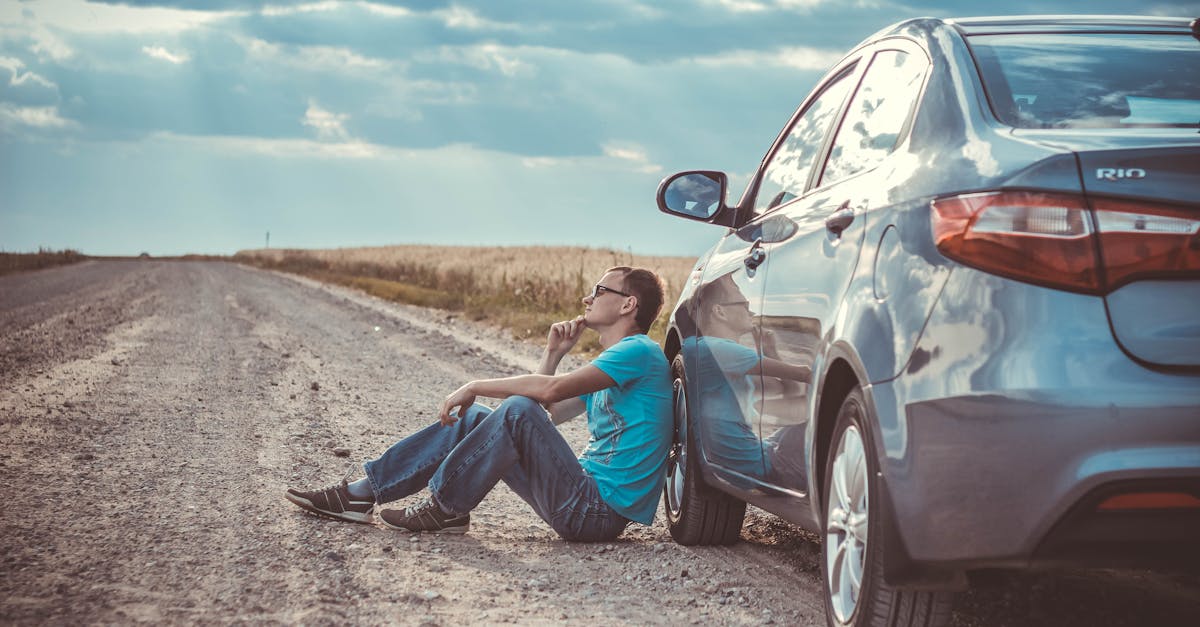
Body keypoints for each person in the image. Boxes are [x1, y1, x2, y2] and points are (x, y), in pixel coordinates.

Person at [284, 266, 672, 542]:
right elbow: (544, 415)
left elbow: (542, 398)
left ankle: (446, 506)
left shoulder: (638, 351)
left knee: (511, 409)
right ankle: (362, 492)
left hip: (595, 513)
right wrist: (553, 354)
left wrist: (477, 384)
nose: (588, 297)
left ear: (628, 305)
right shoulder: (614, 363)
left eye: (601, 291)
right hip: (580, 498)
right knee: (475, 417)